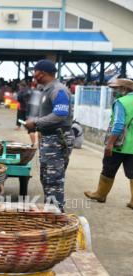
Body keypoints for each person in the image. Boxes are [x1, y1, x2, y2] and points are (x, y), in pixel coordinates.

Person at [24, 59, 74, 212]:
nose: (34, 75)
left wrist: (36, 123)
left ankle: (56, 216)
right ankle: (50, 212)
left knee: (54, 181)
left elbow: (60, 114)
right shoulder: (46, 89)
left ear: (42, 73)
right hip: (49, 139)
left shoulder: (58, 90)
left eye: (35, 72)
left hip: (57, 139)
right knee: (46, 178)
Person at [85, 78, 133, 209]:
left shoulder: (121, 102)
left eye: (116, 88)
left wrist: (110, 143)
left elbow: (118, 125)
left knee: (108, 169)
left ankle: (100, 194)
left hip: (119, 145)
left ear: (125, 89)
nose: (113, 91)